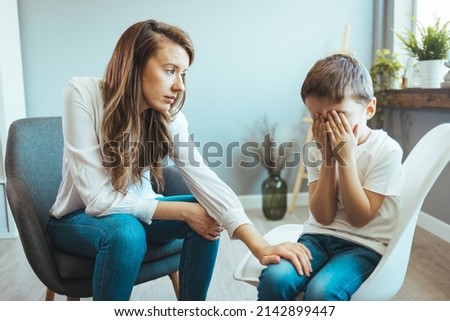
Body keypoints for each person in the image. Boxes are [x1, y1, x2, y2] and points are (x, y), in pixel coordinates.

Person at [48, 19, 307, 301]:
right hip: (79, 220)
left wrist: (258, 244)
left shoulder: (168, 117)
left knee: (207, 213)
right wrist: (183, 212)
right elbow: (98, 199)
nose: (180, 86)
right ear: (134, 65)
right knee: (127, 233)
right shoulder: (82, 93)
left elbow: (206, 181)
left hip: (139, 214)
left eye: (183, 74)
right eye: (170, 71)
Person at [257, 54, 405, 301]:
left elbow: (359, 219)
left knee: (322, 291)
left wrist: (344, 157)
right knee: (275, 278)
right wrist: (328, 157)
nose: (327, 128)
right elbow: (323, 216)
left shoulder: (386, 150)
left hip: (364, 245)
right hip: (317, 236)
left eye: (338, 117)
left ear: (369, 109)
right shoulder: (316, 149)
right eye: (319, 118)